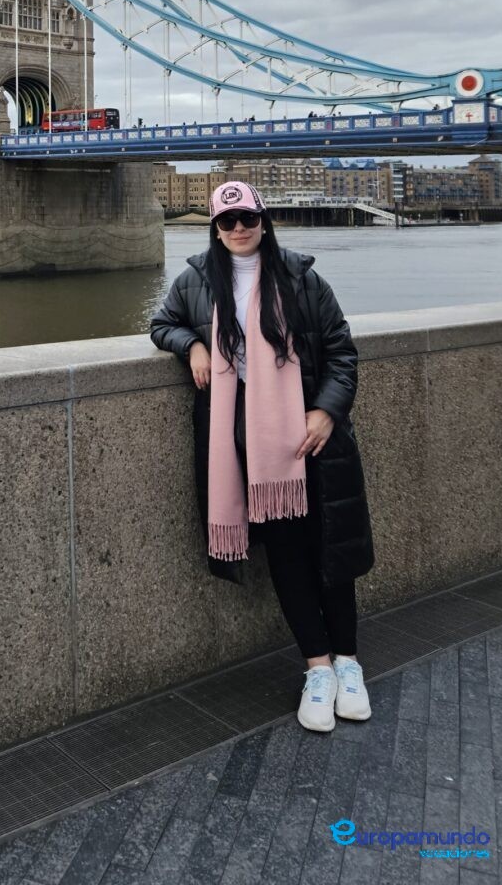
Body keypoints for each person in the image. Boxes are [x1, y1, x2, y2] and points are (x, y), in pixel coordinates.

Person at [149, 180, 375, 733]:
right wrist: (194, 345)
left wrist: (326, 411)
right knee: (286, 556)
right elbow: (161, 324)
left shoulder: (303, 278)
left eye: (248, 217)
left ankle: (349, 663)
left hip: (310, 439)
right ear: (215, 229)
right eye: (227, 222)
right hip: (245, 444)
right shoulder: (197, 281)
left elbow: (342, 352)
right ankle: (317, 668)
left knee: (330, 550)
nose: (239, 229)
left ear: (264, 220)